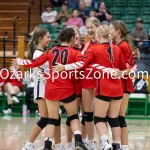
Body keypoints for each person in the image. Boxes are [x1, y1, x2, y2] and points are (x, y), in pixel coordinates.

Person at [52, 25, 136, 150]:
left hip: (104, 87)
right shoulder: (117, 49)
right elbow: (126, 69)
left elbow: (82, 64)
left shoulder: (95, 49)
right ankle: (117, 146)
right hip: (118, 88)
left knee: (98, 118)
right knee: (114, 119)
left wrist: (64, 67)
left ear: (97, 36)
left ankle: (104, 143)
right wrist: (119, 73)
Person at [12, 27, 88, 150]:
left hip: (51, 88)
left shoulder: (51, 51)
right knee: (73, 116)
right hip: (67, 88)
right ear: (72, 39)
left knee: (52, 119)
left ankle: (47, 146)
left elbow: (34, 63)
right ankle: (78, 141)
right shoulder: (75, 52)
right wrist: (65, 67)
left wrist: (20, 61)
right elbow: (82, 64)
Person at [19, 28, 63, 150]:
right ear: (40, 39)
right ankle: (29, 144)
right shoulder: (38, 54)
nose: (49, 39)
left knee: (56, 118)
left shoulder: (41, 52)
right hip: (42, 89)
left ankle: (58, 145)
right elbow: (46, 73)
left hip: (46, 88)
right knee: (45, 119)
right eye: (47, 37)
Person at [110, 20, 137, 150]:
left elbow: (131, 68)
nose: (109, 31)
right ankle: (121, 145)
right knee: (117, 116)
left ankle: (124, 146)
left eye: (111, 29)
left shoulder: (123, 46)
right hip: (120, 84)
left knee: (119, 116)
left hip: (124, 84)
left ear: (117, 31)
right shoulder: (118, 44)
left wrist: (117, 73)